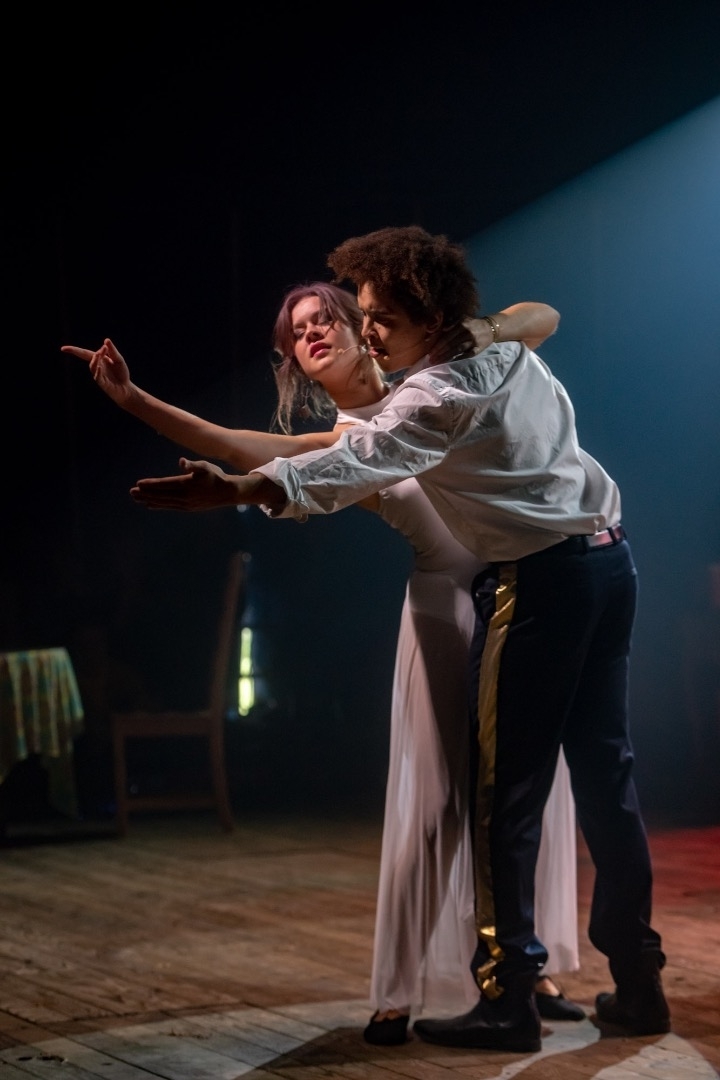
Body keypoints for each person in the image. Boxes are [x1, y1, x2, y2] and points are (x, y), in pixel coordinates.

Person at [130, 225, 670, 1054]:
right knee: (606, 780)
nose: (365, 329)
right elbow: (527, 323)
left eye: (378, 317)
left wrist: (238, 491)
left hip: (540, 586)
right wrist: (222, 462)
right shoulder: (497, 353)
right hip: (609, 562)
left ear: (430, 316)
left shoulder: (430, 396)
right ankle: (638, 985)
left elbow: (356, 462)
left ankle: (507, 1002)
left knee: (503, 802)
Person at [64, 283, 583, 1042]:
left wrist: (476, 332)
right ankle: (402, 987)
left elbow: (542, 318)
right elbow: (231, 443)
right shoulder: (339, 444)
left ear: (362, 328)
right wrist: (133, 398)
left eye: (324, 319)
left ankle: (525, 969)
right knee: (442, 799)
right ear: (296, 365)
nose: (312, 333)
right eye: (297, 332)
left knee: (530, 785)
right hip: (447, 608)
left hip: (520, 583)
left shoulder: (438, 383)